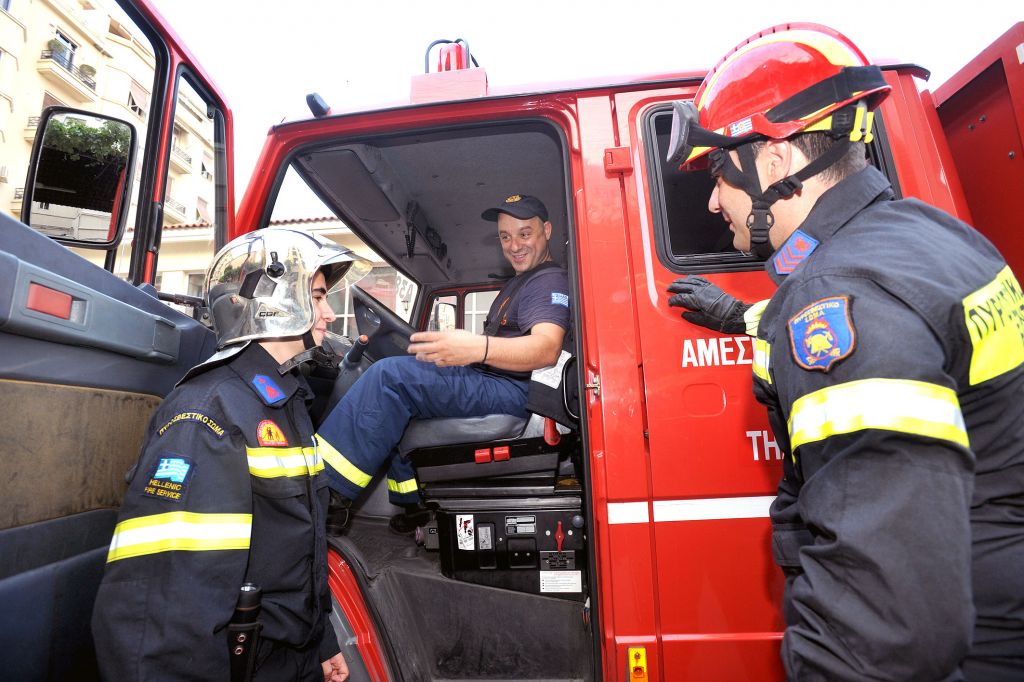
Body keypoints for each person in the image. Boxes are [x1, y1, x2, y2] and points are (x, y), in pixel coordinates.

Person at [663, 23, 1024, 682]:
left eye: (719, 173)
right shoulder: (937, 238)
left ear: (774, 164)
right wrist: (750, 317)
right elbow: (906, 335)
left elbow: (888, 625)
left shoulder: (841, 293)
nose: (714, 200)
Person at [92, 228, 354, 681]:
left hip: (291, 659)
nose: (329, 313)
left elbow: (290, 551)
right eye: (316, 296)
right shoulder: (207, 413)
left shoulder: (283, 401)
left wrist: (320, 644)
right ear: (269, 300)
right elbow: (163, 604)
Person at [317, 193, 570, 533]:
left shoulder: (547, 281)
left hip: (515, 391)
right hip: (496, 380)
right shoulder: (519, 282)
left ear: (547, 231)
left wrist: (475, 349)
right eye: (505, 236)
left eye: (525, 234)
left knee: (390, 378)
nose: (514, 245)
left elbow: (546, 349)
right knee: (405, 383)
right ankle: (414, 506)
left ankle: (326, 495)